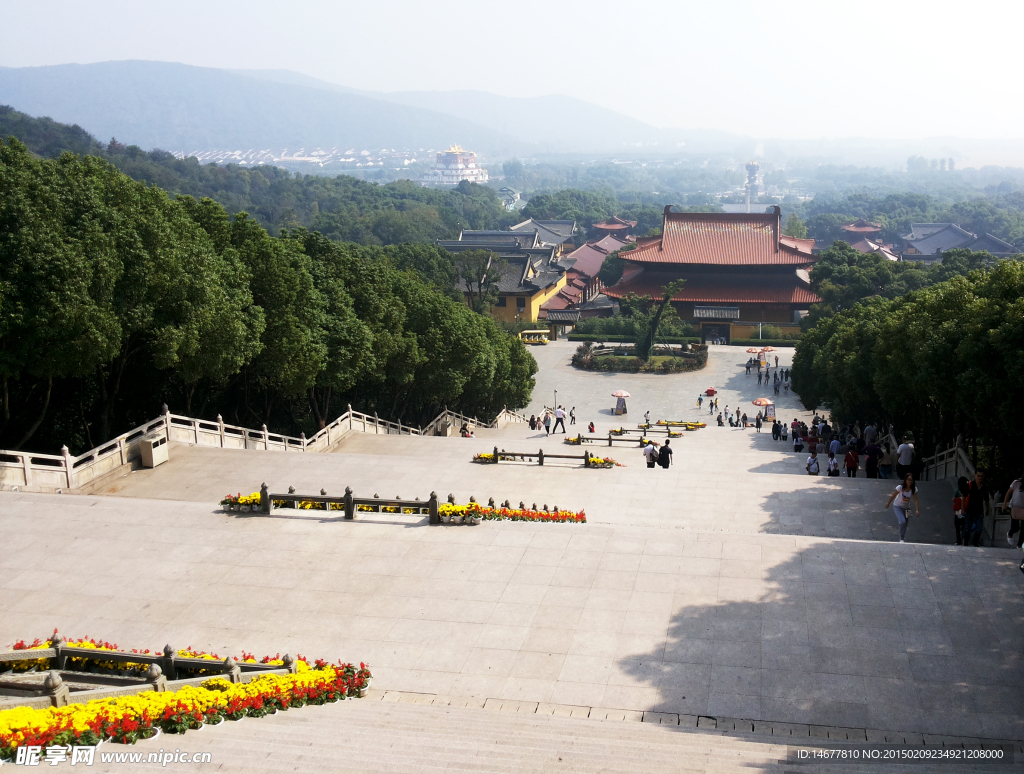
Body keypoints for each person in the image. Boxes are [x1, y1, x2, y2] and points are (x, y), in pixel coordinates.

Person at [886, 473, 920, 543]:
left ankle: (902, 537)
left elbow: (916, 500)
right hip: (897, 506)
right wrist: (888, 503)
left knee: (906, 523)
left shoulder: (914, 489)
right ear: (905, 480)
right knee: (902, 521)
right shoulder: (900, 487)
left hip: (907, 508)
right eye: (908, 480)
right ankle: (901, 538)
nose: (910, 481)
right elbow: (893, 495)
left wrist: (917, 510)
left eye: (911, 480)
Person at [963, 469, 990, 547]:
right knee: (968, 527)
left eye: (981, 476)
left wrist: (987, 509)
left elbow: (986, 499)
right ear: (975, 476)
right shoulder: (970, 485)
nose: (980, 478)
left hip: (979, 510)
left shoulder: (985, 487)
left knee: (979, 528)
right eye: (978, 476)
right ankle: (966, 541)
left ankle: (975, 542)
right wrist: (962, 508)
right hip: (969, 509)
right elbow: (964, 497)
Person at [1003, 469, 1024, 549]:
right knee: (1016, 527)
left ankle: (1019, 545)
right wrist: (1005, 504)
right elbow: (1009, 492)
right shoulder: (1016, 483)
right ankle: (1010, 533)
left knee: (1023, 529)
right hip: (1015, 507)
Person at [954, 476, 969, 546]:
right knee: (964, 526)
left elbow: (953, 499)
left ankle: (958, 540)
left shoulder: (958, 490)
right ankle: (964, 539)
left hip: (957, 513)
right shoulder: (968, 491)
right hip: (965, 512)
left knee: (957, 527)